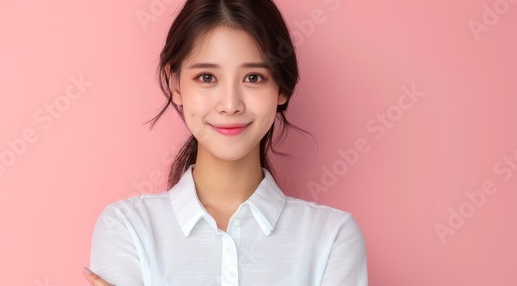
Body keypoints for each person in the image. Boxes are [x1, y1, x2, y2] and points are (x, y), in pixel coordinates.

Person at [83, 0, 368, 285]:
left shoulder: (332, 238)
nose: (230, 105)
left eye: (253, 77)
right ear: (175, 84)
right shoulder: (127, 228)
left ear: (281, 87)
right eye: (207, 77)